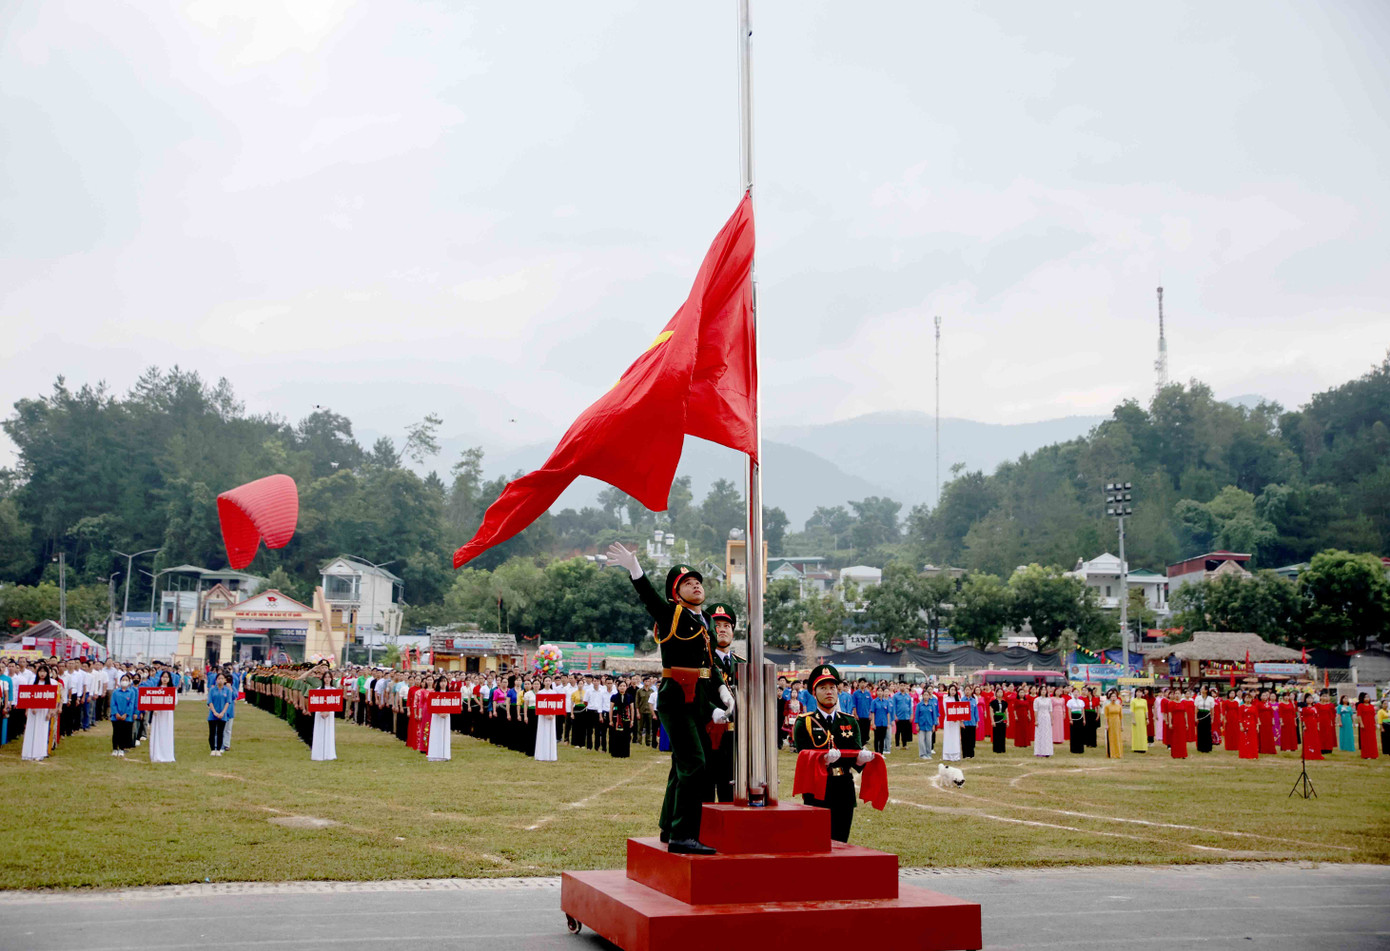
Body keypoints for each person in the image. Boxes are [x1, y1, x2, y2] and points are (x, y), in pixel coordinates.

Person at [607, 545, 730, 856]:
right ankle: (683, 835)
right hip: (676, 698)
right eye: (688, 583)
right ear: (676, 593)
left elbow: (710, 667)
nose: (696, 585)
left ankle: (668, 826)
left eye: (698, 581)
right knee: (695, 765)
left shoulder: (706, 625)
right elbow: (649, 597)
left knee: (681, 766)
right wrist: (635, 569)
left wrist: (722, 693)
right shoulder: (672, 613)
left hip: (697, 701)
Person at [792, 664, 873, 844]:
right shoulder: (804, 722)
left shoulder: (849, 721)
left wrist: (861, 760)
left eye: (832, 687)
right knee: (817, 841)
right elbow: (803, 756)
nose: (829, 692)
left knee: (841, 840)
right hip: (818, 789)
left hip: (844, 788)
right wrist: (823, 760)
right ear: (814, 692)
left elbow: (855, 757)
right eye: (823, 688)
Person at [707, 602, 741, 802]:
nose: (722, 630)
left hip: (736, 739)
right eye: (717, 625)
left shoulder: (743, 664)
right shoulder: (703, 662)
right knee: (706, 793)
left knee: (732, 793)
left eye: (727, 626)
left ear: (733, 632)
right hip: (710, 736)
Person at [21, 664, 57, 761]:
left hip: (44, 711)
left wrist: (50, 712)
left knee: (42, 731)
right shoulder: (33, 682)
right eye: (40, 672)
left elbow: (52, 700)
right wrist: (29, 708)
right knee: (30, 730)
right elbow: (28, 696)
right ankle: (28, 753)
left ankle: (39, 753)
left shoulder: (52, 684)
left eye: (44, 672)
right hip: (33, 712)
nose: (42, 674)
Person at [148, 670, 177, 763]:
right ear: (160, 678)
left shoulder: (172, 689)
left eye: (166, 677)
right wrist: (155, 708)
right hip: (158, 714)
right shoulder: (157, 689)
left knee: (166, 731)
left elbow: (175, 701)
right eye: (163, 677)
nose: (165, 679)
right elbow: (152, 700)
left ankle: (167, 754)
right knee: (158, 731)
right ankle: (157, 754)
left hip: (167, 713)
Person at [311, 671, 338, 762]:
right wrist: (322, 711)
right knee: (319, 731)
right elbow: (316, 702)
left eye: (328, 677)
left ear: (331, 678)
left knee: (329, 732)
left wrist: (328, 711)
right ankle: (318, 753)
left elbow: (335, 703)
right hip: (320, 714)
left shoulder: (334, 690)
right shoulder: (318, 690)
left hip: (330, 714)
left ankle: (329, 753)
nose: (327, 679)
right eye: (325, 677)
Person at [109, 673, 138, 757]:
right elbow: (113, 703)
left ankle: (121, 749)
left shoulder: (131, 692)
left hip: (127, 717)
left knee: (124, 733)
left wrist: (126, 714)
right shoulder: (115, 692)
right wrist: (116, 713)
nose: (124, 682)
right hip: (116, 717)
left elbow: (131, 704)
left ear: (129, 682)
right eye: (123, 680)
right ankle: (115, 749)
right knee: (116, 732)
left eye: (126, 680)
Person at [206, 673, 233, 757]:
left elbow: (228, 702)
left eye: (222, 678)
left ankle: (218, 749)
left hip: (222, 715)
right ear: (216, 680)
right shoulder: (212, 690)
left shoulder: (227, 690)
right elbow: (210, 701)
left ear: (225, 680)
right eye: (219, 679)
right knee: (212, 732)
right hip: (213, 714)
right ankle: (213, 749)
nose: (220, 680)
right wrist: (214, 712)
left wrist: (222, 713)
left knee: (220, 733)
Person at [426, 674, 451, 762]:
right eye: (441, 681)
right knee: (436, 733)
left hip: (446, 716)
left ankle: (445, 754)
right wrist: (439, 713)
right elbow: (431, 706)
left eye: (445, 681)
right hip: (436, 716)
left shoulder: (449, 694)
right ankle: (435, 754)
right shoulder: (434, 694)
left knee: (445, 733)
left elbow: (452, 705)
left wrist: (446, 713)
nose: (443, 683)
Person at [941, 685, 963, 762]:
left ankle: (955, 755)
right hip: (948, 720)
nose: (953, 691)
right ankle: (947, 755)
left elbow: (960, 710)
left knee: (955, 737)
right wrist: (952, 717)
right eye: (951, 689)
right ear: (949, 690)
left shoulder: (958, 699)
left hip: (956, 722)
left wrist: (958, 719)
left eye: (954, 690)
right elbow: (946, 710)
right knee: (948, 737)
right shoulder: (945, 699)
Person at [914, 688, 938, 758]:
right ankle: (922, 754)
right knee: (921, 741)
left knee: (928, 741)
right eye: (925, 695)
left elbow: (934, 715)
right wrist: (917, 725)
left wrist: (934, 725)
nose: (926, 696)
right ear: (922, 696)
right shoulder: (919, 705)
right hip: (921, 725)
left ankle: (928, 754)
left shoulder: (932, 705)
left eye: (927, 695)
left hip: (929, 725)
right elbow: (917, 715)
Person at [1354, 693, 1378, 760]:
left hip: (1371, 724)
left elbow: (1374, 715)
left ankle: (1374, 754)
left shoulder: (1371, 706)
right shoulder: (1360, 706)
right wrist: (1361, 723)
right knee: (1365, 740)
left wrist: (1375, 723)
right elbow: (1359, 715)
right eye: (1365, 697)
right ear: (1362, 698)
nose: (1367, 698)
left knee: (1372, 739)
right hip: (1364, 724)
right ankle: (1366, 755)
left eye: (1368, 697)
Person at [1031, 688, 1053, 757]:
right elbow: (1035, 710)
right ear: (1040, 691)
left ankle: (1047, 751)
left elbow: (1050, 710)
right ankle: (1039, 751)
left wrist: (1052, 720)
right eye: (1042, 690)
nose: (1043, 691)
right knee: (1040, 734)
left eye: (1045, 690)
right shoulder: (1037, 700)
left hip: (1047, 717)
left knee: (1047, 734)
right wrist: (1036, 720)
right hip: (1040, 717)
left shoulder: (1049, 700)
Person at [1103, 689, 1124, 758]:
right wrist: (1106, 724)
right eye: (1112, 696)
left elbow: (1121, 716)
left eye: (1115, 696)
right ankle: (1111, 753)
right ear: (1110, 697)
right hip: (1110, 723)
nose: (1113, 698)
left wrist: (1121, 725)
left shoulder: (1119, 706)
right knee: (1111, 737)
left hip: (1117, 722)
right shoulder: (1107, 706)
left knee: (1117, 737)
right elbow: (1106, 716)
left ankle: (1118, 752)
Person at [1194, 686, 1215, 753]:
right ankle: (1200, 747)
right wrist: (1195, 717)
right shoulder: (1198, 698)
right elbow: (1196, 708)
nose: (1201, 690)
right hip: (1200, 715)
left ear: (1206, 690)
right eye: (1201, 689)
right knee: (1200, 731)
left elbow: (1212, 709)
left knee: (1207, 731)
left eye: (1202, 689)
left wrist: (1212, 718)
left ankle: (1207, 747)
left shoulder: (1211, 699)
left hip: (1207, 715)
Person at [1129, 689, 1148, 753]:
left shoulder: (1144, 701)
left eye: (1140, 692)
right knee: (1136, 733)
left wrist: (1147, 718)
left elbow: (1146, 710)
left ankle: (1143, 747)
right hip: (1136, 718)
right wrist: (1133, 719)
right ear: (1136, 693)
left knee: (1143, 733)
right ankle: (1136, 747)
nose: (1139, 693)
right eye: (1138, 692)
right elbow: (1132, 711)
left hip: (1142, 718)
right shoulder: (1133, 701)